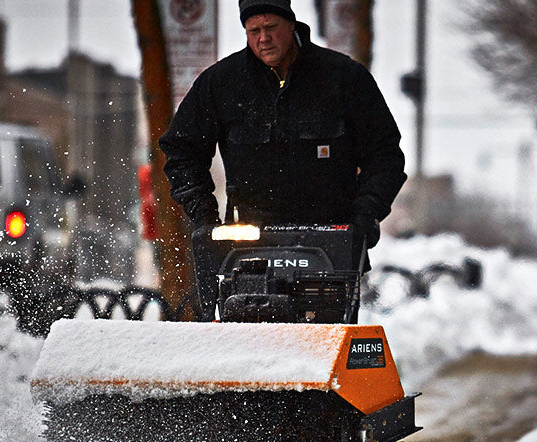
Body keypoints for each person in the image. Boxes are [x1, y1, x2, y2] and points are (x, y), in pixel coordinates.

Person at [158, 0, 406, 257]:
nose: (264, 38)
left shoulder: (344, 78)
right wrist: (205, 217)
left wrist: (365, 215)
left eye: (271, 27)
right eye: (254, 30)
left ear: (291, 24)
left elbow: (385, 154)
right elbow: (180, 150)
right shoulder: (221, 84)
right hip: (247, 248)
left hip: (333, 246)